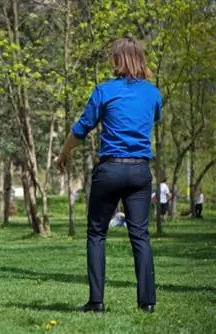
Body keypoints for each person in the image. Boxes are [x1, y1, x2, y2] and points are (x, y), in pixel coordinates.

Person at [57, 36, 160, 313]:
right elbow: (153, 118)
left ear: (117, 59)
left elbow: (81, 128)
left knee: (96, 233)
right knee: (140, 235)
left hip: (111, 168)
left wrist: (64, 154)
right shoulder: (153, 93)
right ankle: (147, 303)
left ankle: (96, 302)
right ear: (140, 59)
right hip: (140, 170)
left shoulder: (104, 91)